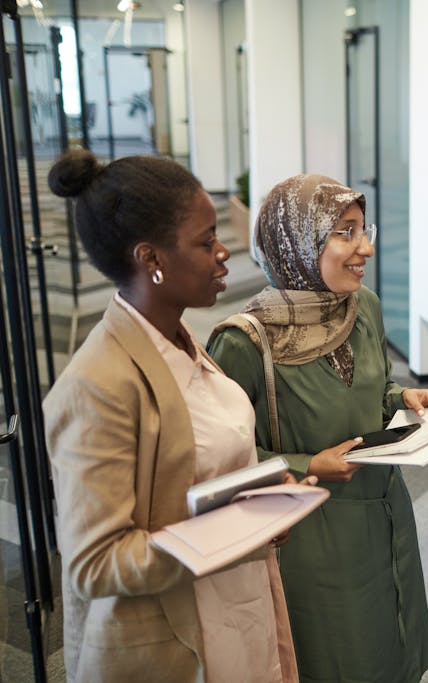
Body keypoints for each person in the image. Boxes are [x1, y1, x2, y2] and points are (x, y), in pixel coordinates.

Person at [43, 150, 300, 682]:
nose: (224, 253)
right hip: (175, 633)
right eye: (206, 242)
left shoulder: (179, 337)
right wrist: (236, 530)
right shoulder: (97, 386)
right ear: (150, 257)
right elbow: (95, 564)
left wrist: (260, 500)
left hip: (234, 601)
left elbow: (197, 470)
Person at [207, 174, 428, 682]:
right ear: (298, 241)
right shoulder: (245, 343)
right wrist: (305, 464)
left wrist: (401, 398)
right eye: (345, 232)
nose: (364, 248)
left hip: (386, 513)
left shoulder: (364, 308)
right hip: (313, 535)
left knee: (394, 646)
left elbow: (369, 396)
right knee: (335, 660)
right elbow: (219, 464)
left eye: (364, 230)